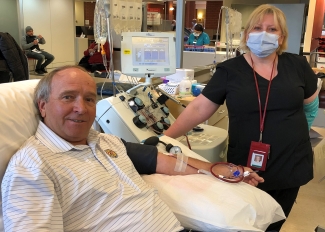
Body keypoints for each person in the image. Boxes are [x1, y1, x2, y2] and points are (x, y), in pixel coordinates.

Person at [1, 65, 263, 231]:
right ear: (43, 106)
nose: (81, 108)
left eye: (90, 99)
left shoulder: (107, 142)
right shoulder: (32, 167)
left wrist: (218, 169)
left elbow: (166, 162)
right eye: (68, 97)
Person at [164, 4, 319, 232]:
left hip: (291, 162)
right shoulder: (229, 71)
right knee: (247, 223)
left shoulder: (297, 65)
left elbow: (311, 107)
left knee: (276, 222)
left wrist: (295, 137)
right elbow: (198, 109)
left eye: (272, 29)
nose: (264, 33)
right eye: (257, 27)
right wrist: (165, 138)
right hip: (245, 166)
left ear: (282, 36)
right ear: (247, 34)